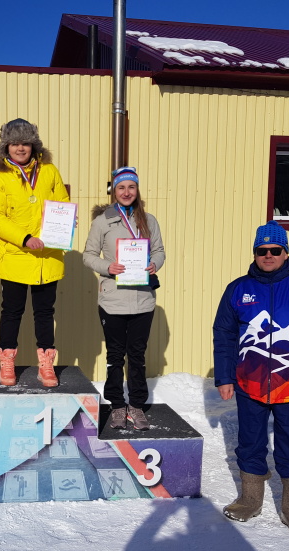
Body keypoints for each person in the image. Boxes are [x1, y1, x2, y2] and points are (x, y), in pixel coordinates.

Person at [213, 220, 289, 536]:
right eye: (261, 250)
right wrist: (225, 377)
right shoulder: (238, 289)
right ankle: (250, 499)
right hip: (249, 382)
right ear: (255, 253)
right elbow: (224, 334)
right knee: (250, 440)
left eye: (274, 250)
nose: (268, 255)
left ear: (285, 252)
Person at [0, 118, 70, 387]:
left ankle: (46, 365)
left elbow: (62, 203)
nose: (20, 148)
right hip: (16, 257)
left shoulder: (50, 171)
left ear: (34, 145)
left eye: (25, 143)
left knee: (45, 313)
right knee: (12, 312)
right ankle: (7, 362)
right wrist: (24, 238)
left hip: (47, 257)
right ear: (6, 147)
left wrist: (67, 221)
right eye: (14, 143)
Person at [83, 167, 165, 431]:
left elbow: (160, 251)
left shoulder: (149, 220)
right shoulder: (102, 221)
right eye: (121, 187)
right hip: (113, 300)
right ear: (114, 191)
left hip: (143, 299)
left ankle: (137, 406)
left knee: (137, 355)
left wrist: (154, 264)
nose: (127, 192)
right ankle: (117, 406)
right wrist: (109, 267)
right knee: (115, 355)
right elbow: (88, 255)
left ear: (137, 190)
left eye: (131, 187)